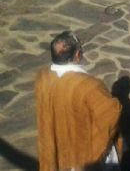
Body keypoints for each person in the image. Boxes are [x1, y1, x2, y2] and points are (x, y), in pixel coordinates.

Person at [35, 31, 122, 171]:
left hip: (56, 144)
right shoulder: (89, 85)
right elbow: (110, 114)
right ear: (77, 55)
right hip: (81, 152)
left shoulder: (42, 78)